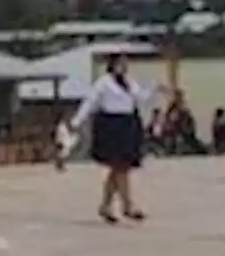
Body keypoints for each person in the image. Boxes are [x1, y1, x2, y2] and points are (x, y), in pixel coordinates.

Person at [62, 53, 164, 224]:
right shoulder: (104, 82)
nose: (124, 66)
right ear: (112, 65)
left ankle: (106, 205)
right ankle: (128, 206)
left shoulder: (130, 82)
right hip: (111, 124)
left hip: (128, 123)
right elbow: (90, 102)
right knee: (120, 167)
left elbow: (140, 98)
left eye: (125, 63)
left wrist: (155, 89)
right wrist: (76, 121)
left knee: (119, 168)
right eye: (120, 63)